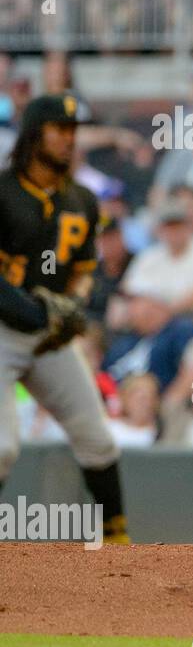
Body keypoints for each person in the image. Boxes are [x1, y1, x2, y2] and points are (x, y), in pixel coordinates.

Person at [0, 94, 128, 542]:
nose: (68, 138)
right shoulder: (3, 191)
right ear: (34, 133)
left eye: (73, 130)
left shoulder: (84, 201)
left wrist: (72, 304)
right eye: (58, 128)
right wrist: (33, 310)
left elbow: (83, 272)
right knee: (1, 447)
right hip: (3, 333)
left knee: (98, 439)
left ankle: (117, 537)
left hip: (49, 337)